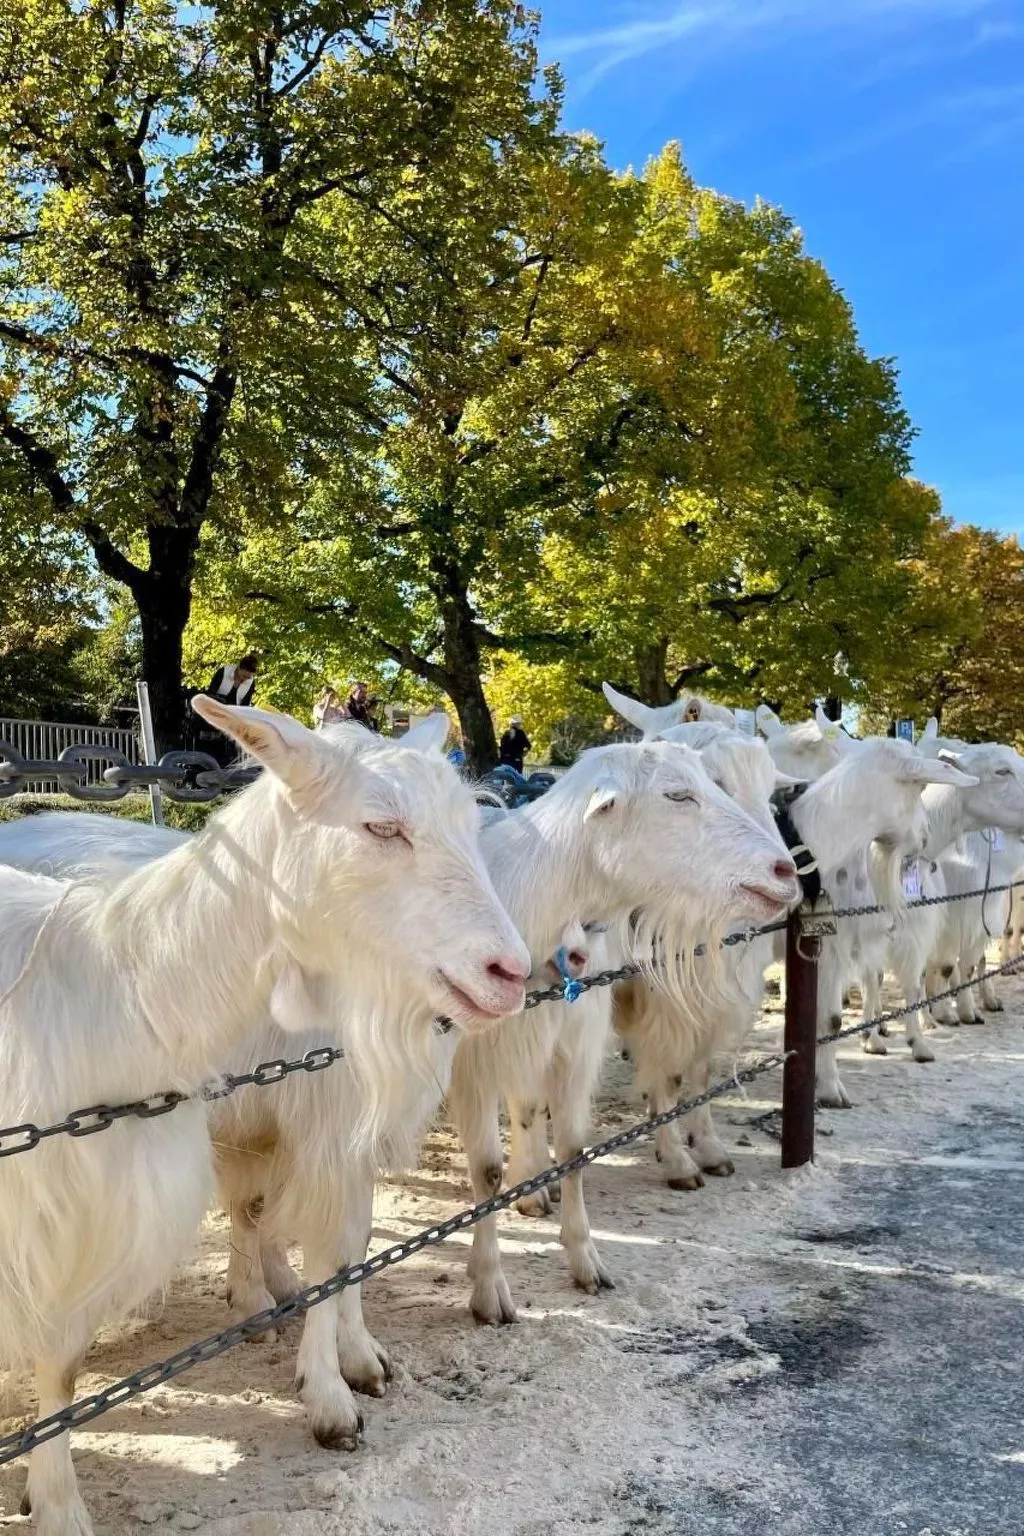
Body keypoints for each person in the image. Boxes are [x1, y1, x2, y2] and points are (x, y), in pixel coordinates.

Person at [194, 654, 257, 767]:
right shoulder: (223, 672)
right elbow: (211, 693)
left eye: (247, 678)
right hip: (216, 709)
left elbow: (245, 704)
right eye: (243, 676)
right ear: (239, 668)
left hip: (233, 714)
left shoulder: (250, 682)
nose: (244, 680)